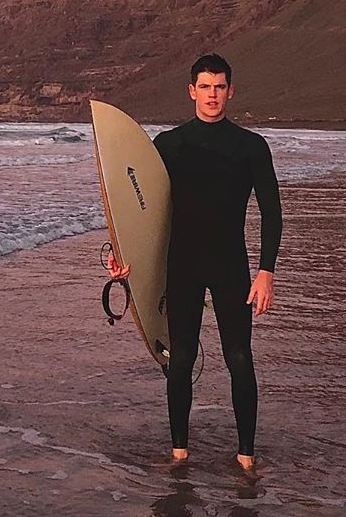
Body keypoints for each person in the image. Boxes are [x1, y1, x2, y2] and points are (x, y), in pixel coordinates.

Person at [114, 54, 282, 470]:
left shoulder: (250, 147)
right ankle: (179, 452)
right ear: (192, 91)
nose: (212, 94)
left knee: (239, 358)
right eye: (205, 86)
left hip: (230, 265)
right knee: (181, 358)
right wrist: (125, 260)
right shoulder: (169, 145)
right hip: (183, 264)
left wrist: (266, 273)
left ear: (230, 91)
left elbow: (272, 211)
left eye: (219, 86)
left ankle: (246, 456)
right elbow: (141, 212)